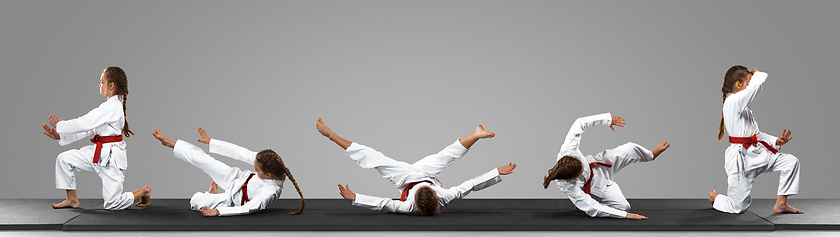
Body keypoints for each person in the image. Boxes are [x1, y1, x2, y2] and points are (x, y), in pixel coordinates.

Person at [316, 118, 516, 215]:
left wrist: (356, 198)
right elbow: (470, 184)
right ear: (436, 195)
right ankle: (475, 134)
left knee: (375, 158)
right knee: (444, 157)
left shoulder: (407, 206)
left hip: (407, 179)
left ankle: (331, 136)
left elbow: (384, 203)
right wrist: (497, 172)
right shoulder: (445, 196)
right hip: (424, 175)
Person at [42, 66, 151, 210]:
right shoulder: (107, 107)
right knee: (64, 159)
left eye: (102, 82)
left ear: (111, 85)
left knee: (113, 203)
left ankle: (144, 191)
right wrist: (60, 136)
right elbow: (89, 130)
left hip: (112, 159)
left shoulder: (113, 107)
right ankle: (72, 199)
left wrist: (61, 125)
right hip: (98, 153)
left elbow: (85, 122)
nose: (99, 85)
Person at [709, 65, 803, 214]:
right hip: (742, 161)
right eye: (748, 82)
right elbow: (753, 89)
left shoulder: (744, 108)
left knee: (791, 162)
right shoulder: (732, 102)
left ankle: (781, 204)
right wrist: (757, 76)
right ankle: (716, 197)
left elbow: (755, 135)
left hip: (758, 154)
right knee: (738, 207)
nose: (749, 85)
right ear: (739, 84)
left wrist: (775, 141)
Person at [152, 127, 304, 216]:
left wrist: (219, 211)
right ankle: (171, 143)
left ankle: (211, 194)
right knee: (206, 160)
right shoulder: (267, 161)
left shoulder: (270, 191)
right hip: (236, 178)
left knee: (195, 201)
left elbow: (250, 207)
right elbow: (238, 152)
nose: (254, 168)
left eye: (256, 169)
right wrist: (212, 142)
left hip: (233, 199)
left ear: (268, 175)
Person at [542, 112, 669, 219]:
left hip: (599, 164)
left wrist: (607, 119)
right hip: (595, 186)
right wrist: (626, 215)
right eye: (581, 170)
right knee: (623, 206)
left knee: (629, 148)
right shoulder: (569, 186)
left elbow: (579, 123)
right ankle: (582, 202)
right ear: (573, 178)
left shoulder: (568, 150)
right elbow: (594, 208)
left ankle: (651, 155)